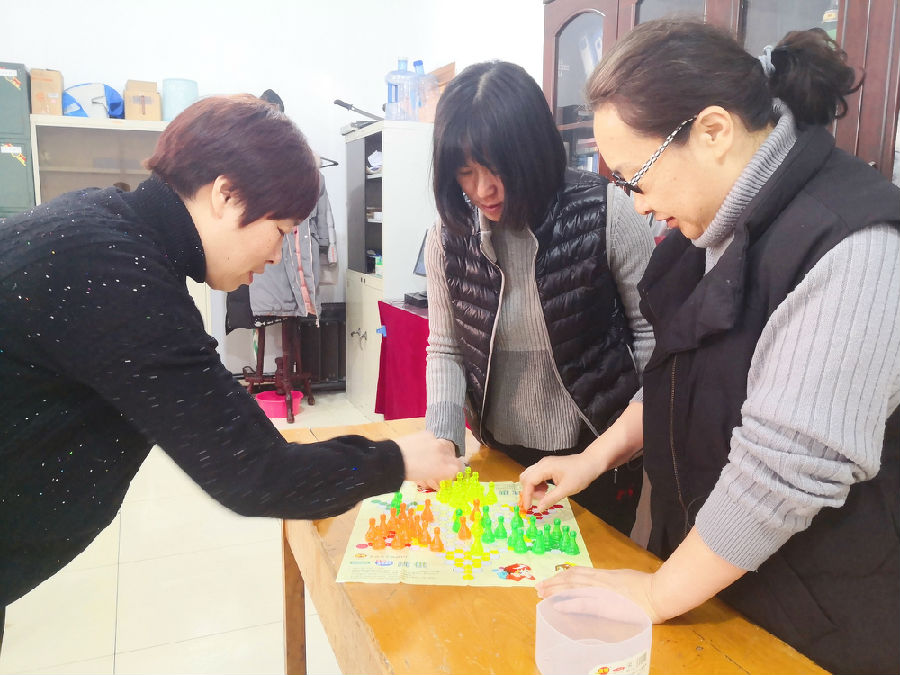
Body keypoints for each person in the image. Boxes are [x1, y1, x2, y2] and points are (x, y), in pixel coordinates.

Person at [518, 19, 900, 674]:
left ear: (714, 132)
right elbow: (678, 378)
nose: (636, 206)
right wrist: (596, 456)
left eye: (636, 178)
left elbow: (784, 471)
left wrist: (657, 593)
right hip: (714, 580)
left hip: (813, 615)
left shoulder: (856, 246)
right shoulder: (712, 230)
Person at [0, 95, 462, 626]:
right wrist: (395, 461)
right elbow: (256, 472)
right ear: (225, 194)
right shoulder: (117, 273)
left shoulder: (111, 231)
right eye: (281, 230)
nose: (277, 254)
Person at [424, 61, 655, 536]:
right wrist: (442, 442)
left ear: (532, 152)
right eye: (465, 173)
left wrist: (616, 445)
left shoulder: (608, 211)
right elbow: (445, 348)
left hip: (597, 454)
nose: (482, 189)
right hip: (501, 453)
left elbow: (656, 341)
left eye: (496, 169)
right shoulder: (449, 237)